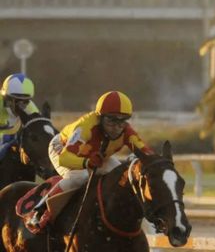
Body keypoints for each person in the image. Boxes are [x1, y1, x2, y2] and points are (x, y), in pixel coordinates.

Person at [27, 90, 154, 229]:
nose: (116, 128)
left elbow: (146, 152)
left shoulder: (127, 132)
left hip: (96, 154)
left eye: (121, 121)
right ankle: (40, 211)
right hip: (63, 148)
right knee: (79, 177)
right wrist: (86, 163)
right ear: (100, 118)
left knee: (119, 175)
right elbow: (64, 159)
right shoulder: (85, 128)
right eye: (111, 120)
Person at [0, 73, 42, 157]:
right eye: (17, 101)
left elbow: (39, 125)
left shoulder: (30, 105)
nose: (21, 105)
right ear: (7, 98)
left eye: (25, 101)